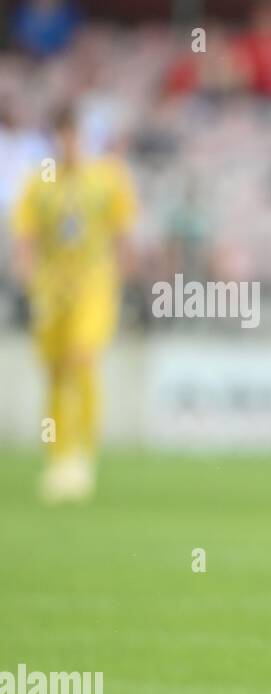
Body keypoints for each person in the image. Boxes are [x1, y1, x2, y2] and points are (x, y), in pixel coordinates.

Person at [11, 103, 136, 502]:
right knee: (54, 371)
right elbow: (24, 235)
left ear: (82, 136)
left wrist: (127, 273)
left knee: (83, 359)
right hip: (50, 288)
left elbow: (123, 229)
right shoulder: (39, 181)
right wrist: (28, 275)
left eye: (74, 135)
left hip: (94, 284)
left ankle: (82, 453)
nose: (68, 144)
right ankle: (58, 455)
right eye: (62, 135)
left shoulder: (105, 178)